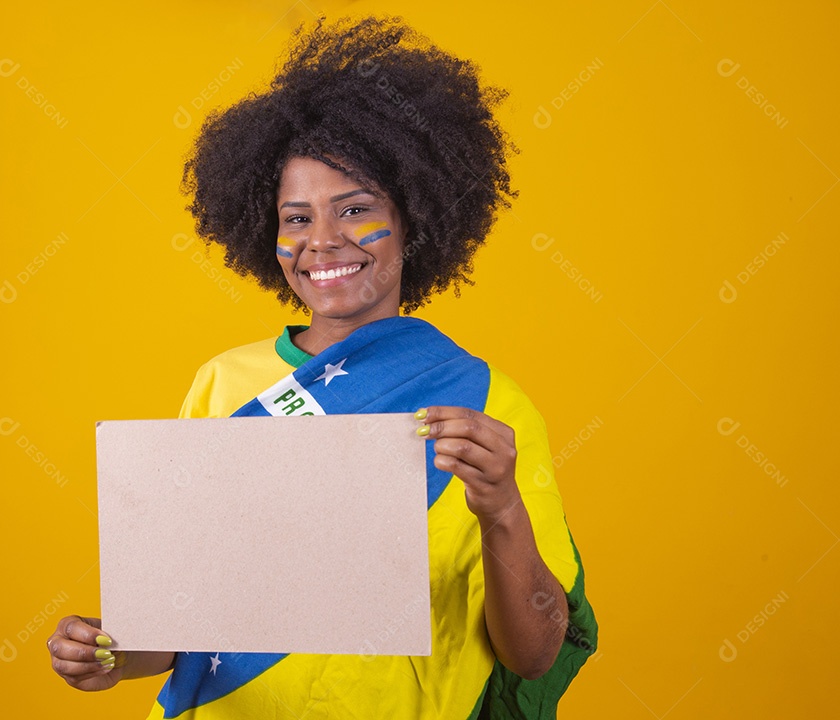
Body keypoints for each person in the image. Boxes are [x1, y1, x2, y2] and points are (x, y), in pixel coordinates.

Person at [47, 16, 597, 719]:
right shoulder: (222, 384)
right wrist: (109, 652)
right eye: (297, 218)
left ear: (414, 220)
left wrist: (503, 511)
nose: (324, 241)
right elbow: (175, 632)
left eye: (356, 210)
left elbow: (535, 654)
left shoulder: (487, 403)